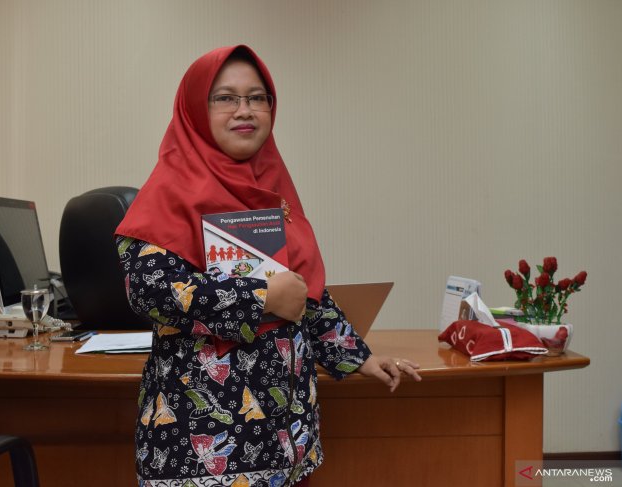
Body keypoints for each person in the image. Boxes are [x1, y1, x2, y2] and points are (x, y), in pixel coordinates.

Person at [115, 45, 421, 487]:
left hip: (287, 439)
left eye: (257, 98)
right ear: (195, 109)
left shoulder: (271, 186)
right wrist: (260, 297)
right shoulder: (167, 192)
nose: (245, 110)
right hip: (202, 447)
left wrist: (359, 358)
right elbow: (151, 291)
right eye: (225, 98)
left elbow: (302, 293)